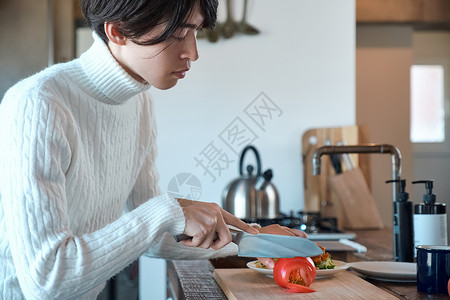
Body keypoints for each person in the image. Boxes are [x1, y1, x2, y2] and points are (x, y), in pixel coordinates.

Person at [0, 0, 305, 299]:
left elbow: (153, 237)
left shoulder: (138, 102)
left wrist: (250, 238)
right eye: (177, 34)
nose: (192, 53)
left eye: (195, 32)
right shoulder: (38, 104)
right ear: (118, 30)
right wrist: (166, 211)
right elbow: (47, 281)